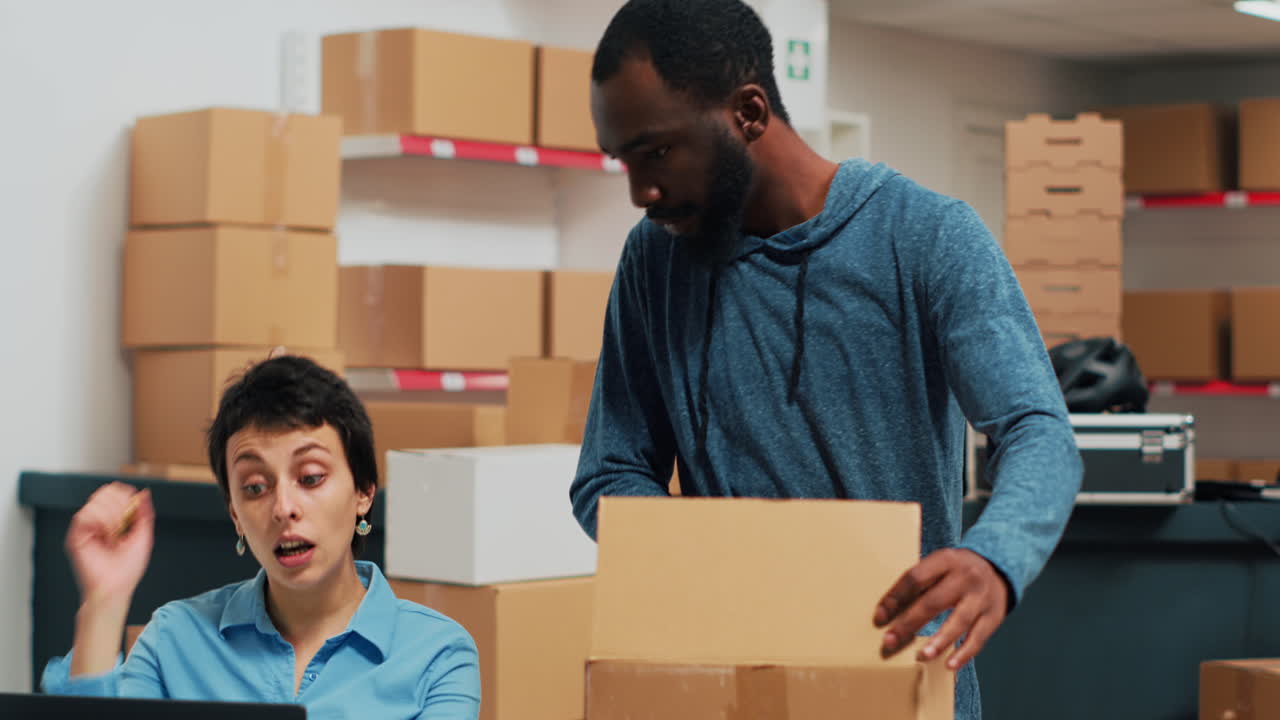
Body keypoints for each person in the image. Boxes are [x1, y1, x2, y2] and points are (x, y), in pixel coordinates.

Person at [569, 1, 1082, 717]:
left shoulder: (926, 237)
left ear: (747, 112)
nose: (640, 192)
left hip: (899, 677)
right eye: (623, 161)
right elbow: (610, 471)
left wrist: (995, 556)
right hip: (727, 681)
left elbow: (1037, 430)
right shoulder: (654, 261)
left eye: (657, 152)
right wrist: (699, 558)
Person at [42, 355, 480, 719]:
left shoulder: (437, 655)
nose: (282, 507)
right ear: (235, 513)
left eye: (310, 477)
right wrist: (105, 600)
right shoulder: (175, 637)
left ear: (363, 492)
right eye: (255, 486)